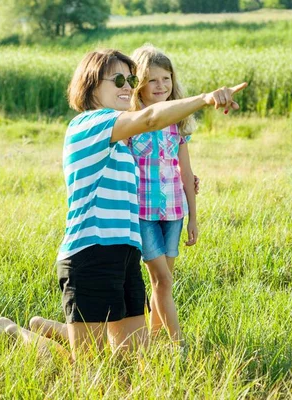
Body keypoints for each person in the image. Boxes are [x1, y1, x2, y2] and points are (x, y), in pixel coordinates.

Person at [0, 48, 246, 361]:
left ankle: (51, 327)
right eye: (118, 80)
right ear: (91, 85)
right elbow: (151, 117)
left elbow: (154, 170)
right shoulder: (90, 125)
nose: (128, 86)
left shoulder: (122, 141)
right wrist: (206, 98)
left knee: (130, 362)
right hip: (91, 255)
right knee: (88, 368)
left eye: (131, 79)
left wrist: (185, 183)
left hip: (126, 255)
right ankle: (14, 332)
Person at [128, 45, 197, 345]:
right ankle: (178, 345)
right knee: (163, 280)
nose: (161, 86)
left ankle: (153, 340)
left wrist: (194, 217)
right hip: (142, 213)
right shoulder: (129, 124)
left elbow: (186, 171)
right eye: (153, 80)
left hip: (173, 213)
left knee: (162, 284)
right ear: (139, 85)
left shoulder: (177, 124)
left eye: (166, 79)